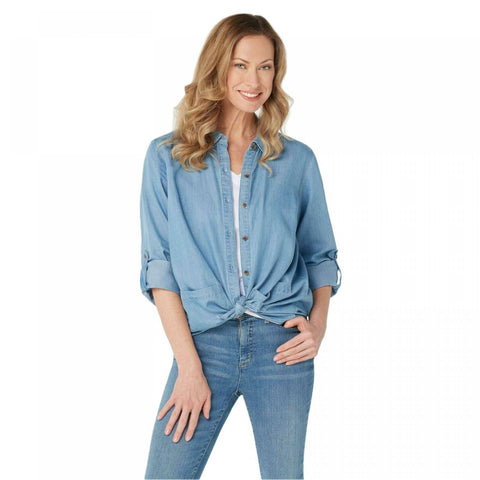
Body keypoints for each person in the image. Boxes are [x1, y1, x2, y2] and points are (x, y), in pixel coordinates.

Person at [140, 13, 342, 480]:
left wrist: (317, 327)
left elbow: (320, 256)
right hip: (202, 346)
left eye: (266, 67)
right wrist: (189, 368)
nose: (254, 81)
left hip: (282, 346)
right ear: (218, 68)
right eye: (241, 65)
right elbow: (160, 268)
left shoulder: (297, 161)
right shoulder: (167, 158)